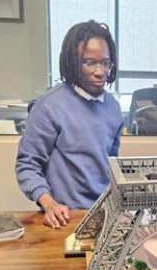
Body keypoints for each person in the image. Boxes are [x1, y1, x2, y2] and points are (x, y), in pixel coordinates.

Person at [15, 20, 124, 229]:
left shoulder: (113, 108)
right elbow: (27, 165)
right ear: (72, 63)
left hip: (104, 216)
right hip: (64, 217)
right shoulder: (48, 107)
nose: (101, 71)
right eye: (90, 62)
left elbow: (111, 164)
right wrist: (50, 204)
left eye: (106, 63)